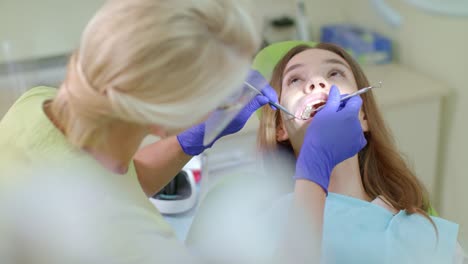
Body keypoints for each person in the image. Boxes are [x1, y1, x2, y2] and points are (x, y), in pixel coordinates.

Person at [0, 1, 366, 263]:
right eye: (296, 79)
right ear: (170, 114)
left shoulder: (37, 106)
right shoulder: (135, 245)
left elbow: (122, 183)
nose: (319, 86)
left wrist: (192, 138)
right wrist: (314, 167)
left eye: (335, 74)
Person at [257, 43, 462, 263]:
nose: (316, 82)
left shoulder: (419, 231)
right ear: (280, 128)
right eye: (295, 79)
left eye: (334, 73)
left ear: (363, 115)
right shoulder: (264, 226)